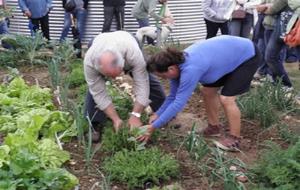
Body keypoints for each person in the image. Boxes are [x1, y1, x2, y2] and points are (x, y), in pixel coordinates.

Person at [139, 35, 262, 151]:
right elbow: (172, 96)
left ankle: (235, 139)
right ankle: (214, 127)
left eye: (162, 76)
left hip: (246, 55)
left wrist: (153, 127)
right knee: (207, 91)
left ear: (171, 68)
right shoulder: (176, 66)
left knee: (226, 99)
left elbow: (179, 102)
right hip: (225, 57)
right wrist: (158, 114)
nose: (163, 79)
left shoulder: (190, 69)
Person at [84, 31, 165, 142]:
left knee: (148, 79)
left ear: (123, 63)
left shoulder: (132, 53)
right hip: (98, 41)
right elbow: (98, 93)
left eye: (117, 75)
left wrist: (136, 115)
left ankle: (163, 111)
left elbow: (142, 83)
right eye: (109, 76)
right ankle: (95, 123)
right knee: (93, 90)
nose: (114, 80)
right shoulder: (90, 62)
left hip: (127, 39)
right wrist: (116, 119)